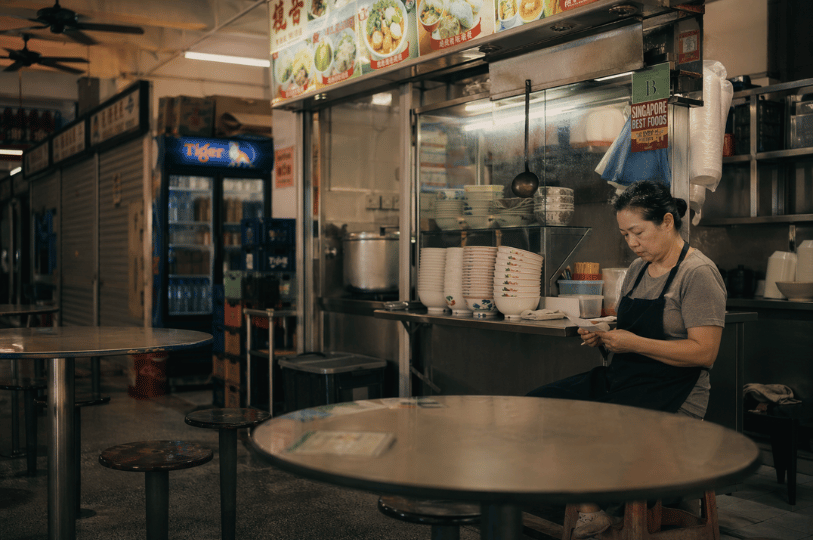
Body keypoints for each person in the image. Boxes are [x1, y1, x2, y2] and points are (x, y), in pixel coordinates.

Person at [527, 180, 727, 538]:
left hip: (674, 395)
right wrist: (604, 335)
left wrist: (633, 343)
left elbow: (704, 351)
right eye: (625, 235)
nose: (632, 243)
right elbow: (628, 327)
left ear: (667, 221)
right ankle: (593, 512)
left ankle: (606, 508)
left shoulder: (697, 274)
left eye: (638, 232)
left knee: (586, 430)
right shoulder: (636, 270)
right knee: (537, 409)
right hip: (624, 382)